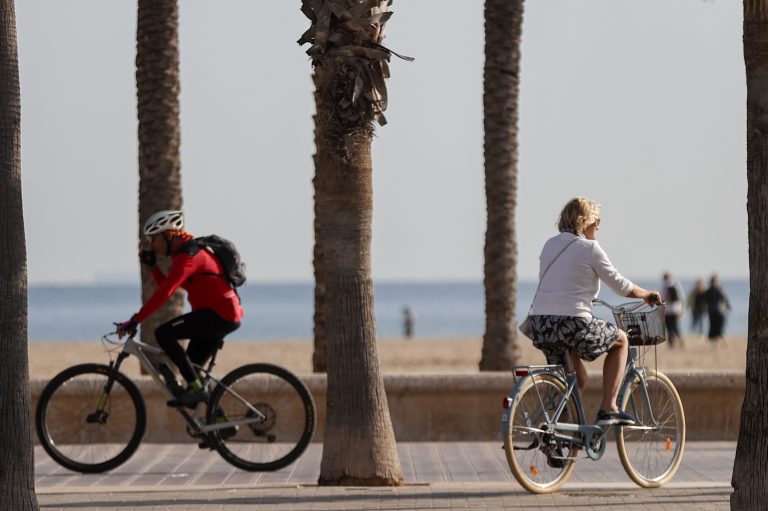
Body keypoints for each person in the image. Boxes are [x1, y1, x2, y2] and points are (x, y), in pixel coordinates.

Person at [528, 197, 660, 426]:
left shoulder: (550, 244)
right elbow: (620, 285)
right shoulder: (590, 248)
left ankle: (558, 437)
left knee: (577, 379)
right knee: (621, 340)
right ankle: (609, 408)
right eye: (596, 219)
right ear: (584, 221)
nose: (599, 224)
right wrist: (645, 294)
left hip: (541, 325)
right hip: (572, 324)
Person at [117, 210, 244, 408]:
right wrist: (154, 269)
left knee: (164, 333)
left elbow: (166, 292)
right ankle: (219, 425)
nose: (153, 245)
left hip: (219, 315)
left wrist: (136, 319)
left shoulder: (189, 255)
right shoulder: (185, 255)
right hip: (221, 315)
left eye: (154, 239)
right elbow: (175, 287)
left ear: (169, 235)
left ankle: (197, 390)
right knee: (192, 372)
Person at [704, 274, 731, 345]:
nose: (716, 282)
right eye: (716, 281)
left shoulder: (719, 290)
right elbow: (705, 301)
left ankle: (721, 342)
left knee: (719, 329)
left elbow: (725, 300)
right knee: (713, 328)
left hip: (718, 312)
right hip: (713, 312)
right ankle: (715, 344)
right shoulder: (710, 291)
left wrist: (728, 307)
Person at [661, 272, 685, 349]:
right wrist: (681, 310)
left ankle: (671, 344)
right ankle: (680, 341)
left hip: (668, 310)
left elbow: (662, 300)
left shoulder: (664, 287)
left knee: (669, 328)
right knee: (675, 327)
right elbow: (681, 298)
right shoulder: (676, 285)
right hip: (676, 309)